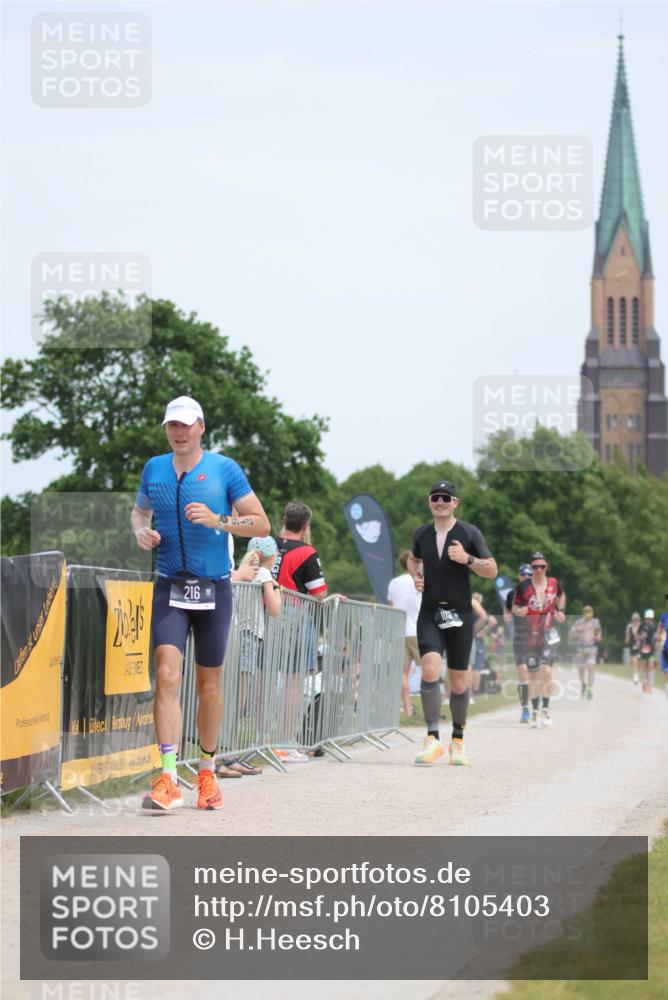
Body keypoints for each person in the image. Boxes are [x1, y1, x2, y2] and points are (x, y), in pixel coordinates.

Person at [131, 395, 270, 812]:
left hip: (214, 587)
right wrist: (141, 532)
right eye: (172, 424)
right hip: (170, 585)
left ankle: (207, 773)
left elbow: (261, 524)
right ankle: (169, 777)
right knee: (166, 674)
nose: (178, 431)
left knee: (208, 684)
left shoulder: (224, 469)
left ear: (201, 427)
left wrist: (218, 520)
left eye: (186, 424)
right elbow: (139, 514)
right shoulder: (154, 468)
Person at [407, 480, 497, 767]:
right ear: (429, 501)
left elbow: (492, 570)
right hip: (430, 612)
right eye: (435, 497)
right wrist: (415, 576)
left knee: (459, 682)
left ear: (455, 502)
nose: (440, 502)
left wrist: (467, 558)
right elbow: (413, 558)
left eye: (446, 497)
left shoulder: (469, 533)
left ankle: (457, 741)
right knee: (431, 668)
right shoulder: (421, 533)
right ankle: (432, 739)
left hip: (460, 614)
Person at [271, 501, 330, 762]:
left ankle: (262, 741)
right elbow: (319, 593)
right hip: (294, 614)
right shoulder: (306, 551)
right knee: (294, 683)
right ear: (306, 525)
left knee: (264, 680)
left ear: (284, 520)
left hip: (264, 612)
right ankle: (283, 742)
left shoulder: (267, 543)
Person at [512, 552, 566, 728]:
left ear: (546, 567)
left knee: (547, 671)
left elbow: (561, 595)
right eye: (535, 567)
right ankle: (535, 711)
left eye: (542, 566)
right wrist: (520, 611)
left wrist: (560, 610)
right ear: (531, 567)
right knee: (534, 675)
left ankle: (546, 710)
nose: (538, 570)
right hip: (530, 637)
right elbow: (515, 606)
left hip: (548, 634)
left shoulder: (554, 583)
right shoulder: (523, 587)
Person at [387, 550, 422, 717]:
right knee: (430, 669)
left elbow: (392, 607)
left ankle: (407, 709)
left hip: (399, 631)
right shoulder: (420, 580)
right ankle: (430, 707)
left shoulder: (394, 583)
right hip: (417, 629)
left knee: (403, 673)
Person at [504, 564, 533, 722]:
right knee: (522, 672)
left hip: (536, 638)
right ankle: (525, 709)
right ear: (520, 576)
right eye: (525, 575)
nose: (527, 578)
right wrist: (509, 614)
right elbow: (507, 611)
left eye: (530, 576)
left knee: (534, 675)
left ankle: (536, 704)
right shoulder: (512, 594)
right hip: (520, 638)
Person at [570, 605, 601, 700]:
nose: (588, 614)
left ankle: (590, 689)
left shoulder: (595, 622)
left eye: (590, 612)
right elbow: (571, 635)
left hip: (591, 648)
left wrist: (598, 636)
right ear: (583, 613)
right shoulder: (578, 622)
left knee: (591, 668)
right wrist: (578, 631)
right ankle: (583, 684)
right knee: (581, 669)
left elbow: (599, 632)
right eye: (586, 612)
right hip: (580, 649)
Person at [637, 608, 658, 693]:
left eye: (650, 618)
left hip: (652, 649)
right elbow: (637, 636)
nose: (648, 620)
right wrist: (641, 637)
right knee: (645, 667)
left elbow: (659, 635)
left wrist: (658, 641)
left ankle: (650, 685)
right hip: (644, 648)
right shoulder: (642, 625)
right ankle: (645, 682)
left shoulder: (655, 626)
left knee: (651, 665)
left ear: (652, 618)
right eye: (647, 618)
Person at [624, 612, 641, 685]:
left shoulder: (642, 625)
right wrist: (627, 640)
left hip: (641, 646)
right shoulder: (629, 626)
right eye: (634, 619)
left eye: (637, 619)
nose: (636, 621)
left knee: (639, 662)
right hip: (633, 645)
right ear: (632, 619)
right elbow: (627, 636)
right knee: (634, 661)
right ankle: (635, 676)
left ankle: (637, 673)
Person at [659, 595, 668, 700]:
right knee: (666, 675)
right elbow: (659, 632)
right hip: (666, 649)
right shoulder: (664, 617)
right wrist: (659, 641)